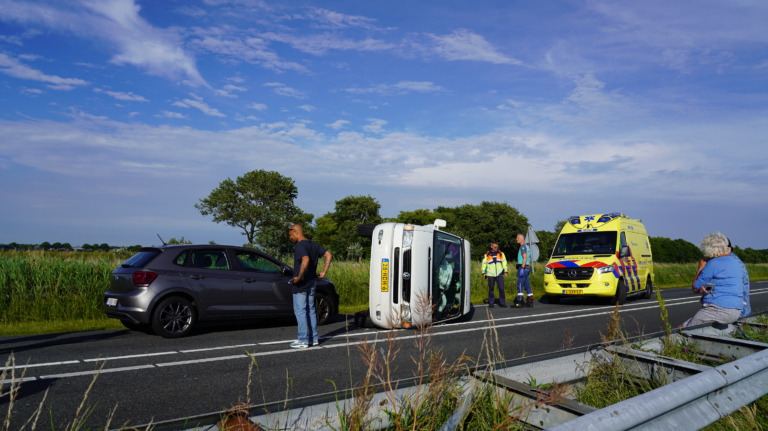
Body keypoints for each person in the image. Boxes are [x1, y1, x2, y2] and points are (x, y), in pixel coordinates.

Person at [682, 232, 743, 328]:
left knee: (684, 330)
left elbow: (695, 287)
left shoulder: (713, 263)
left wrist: (700, 268)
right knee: (685, 325)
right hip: (736, 309)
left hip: (718, 309)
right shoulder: (736, 262)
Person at [288, 223, 332, 348]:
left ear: (296, 232)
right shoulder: (314, 244)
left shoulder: (300, 245)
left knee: (300, 311)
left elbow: (305, 259)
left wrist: (298, 277)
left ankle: (302, 339)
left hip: (301, 284)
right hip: (312, 282)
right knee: (311, 310)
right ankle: (314, 338)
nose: (290, 238)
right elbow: (328, 255)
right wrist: (324, 272)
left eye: (290, 235)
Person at [728, 238, 751, 318]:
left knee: (690, 326)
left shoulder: (730, 262)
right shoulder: (733, 260)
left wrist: (700, 269)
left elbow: (697, 286)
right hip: (740, 308)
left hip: (734, 310)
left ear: (728, 249)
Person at [482, 242, 508, 308]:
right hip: (490, 274)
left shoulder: (501, 254)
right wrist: (483, 272)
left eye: (497, 247)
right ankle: (491, 302)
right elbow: (484, 264)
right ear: (491, 247)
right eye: (495, 247)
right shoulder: (487, 254)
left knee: (501, 288)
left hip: (499, 274)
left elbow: (504, 262)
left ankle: (502, 302)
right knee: (491, 289)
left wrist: (505, 271)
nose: (497, 248)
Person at [515, 233, 534, 308]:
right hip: (527, 267)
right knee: (527, 285)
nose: (517, 239)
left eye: (518, 238)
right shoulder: (527, 247)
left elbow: (525, 258)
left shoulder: (523, 247)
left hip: (523, 267)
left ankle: (519, 301)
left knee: (519, 284)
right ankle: (530, 300)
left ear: (522, 239)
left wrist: (522, 268)